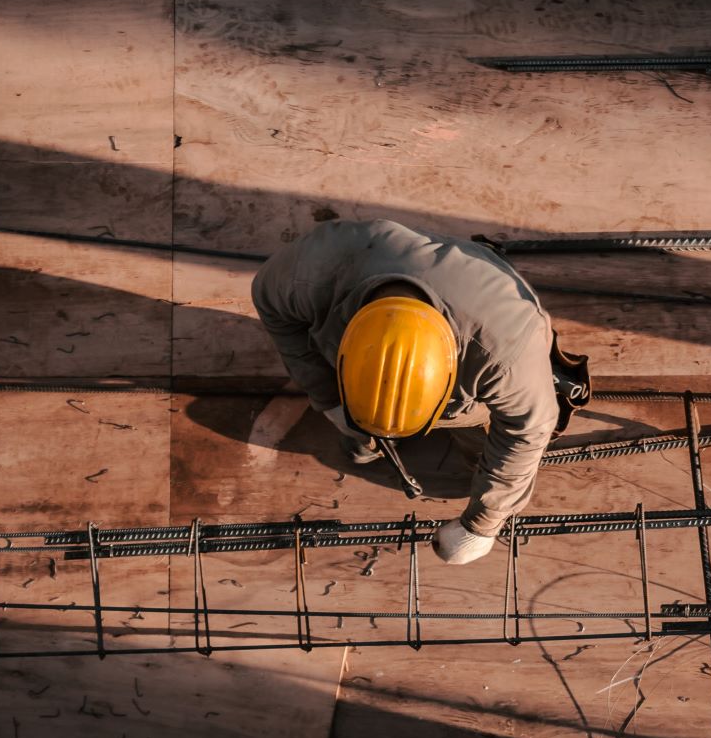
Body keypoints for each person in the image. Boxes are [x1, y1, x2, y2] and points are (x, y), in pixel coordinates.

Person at [251, 219, 586, 564]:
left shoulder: (507, 351)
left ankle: (466, 446)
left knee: (485, 450)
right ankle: (363, 431)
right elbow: (275, 312)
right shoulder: (310, 273)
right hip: (354, 334)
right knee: (354, 430)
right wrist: (331, 399)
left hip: (480, 344)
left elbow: (528, 430)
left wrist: (482, 524)